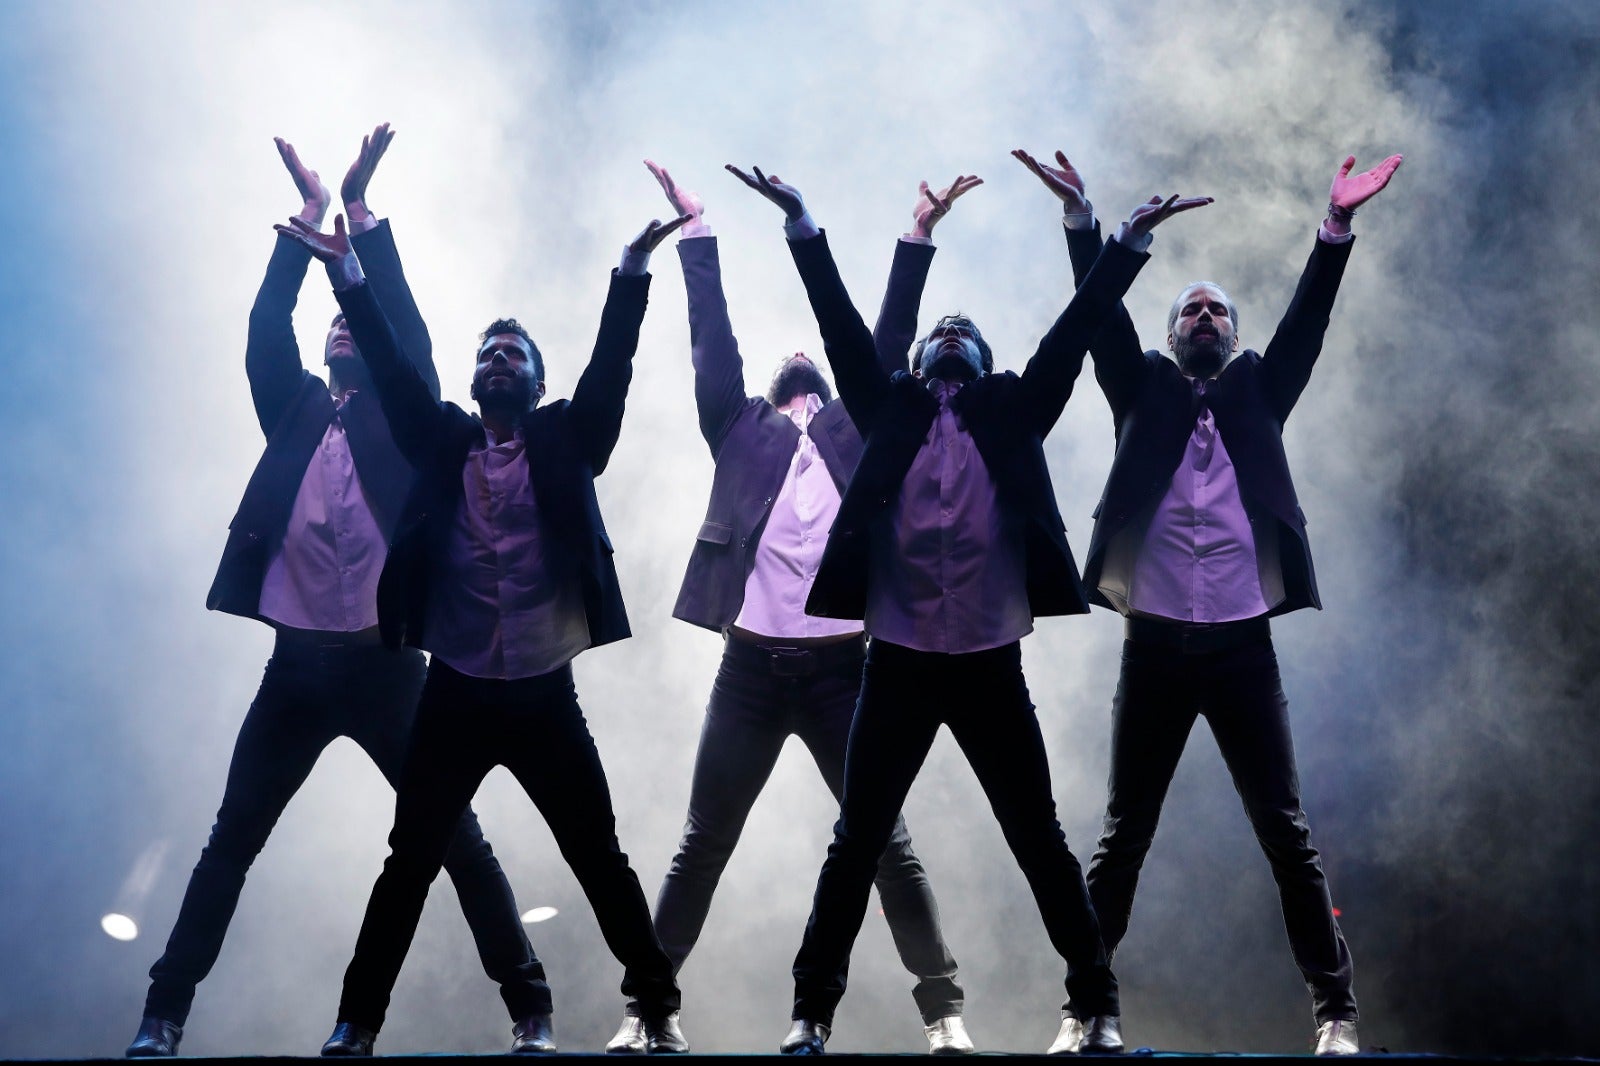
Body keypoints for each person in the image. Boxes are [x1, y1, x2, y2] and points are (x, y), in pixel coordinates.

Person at [727, 160, 1209, 1056]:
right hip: (901, 660)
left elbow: (1074, 335)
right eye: (937, 333)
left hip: (990, 659)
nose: (951, 337)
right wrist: (803, 225)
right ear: (914, 364)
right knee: (857, 839)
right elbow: (839, 325)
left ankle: (1096, 1008)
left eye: (967, 333)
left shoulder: (1016, 409)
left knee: (1039, 839)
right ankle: (810, 1014)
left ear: (985, 363)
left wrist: (1120, 240)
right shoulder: (886, 409)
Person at [126, 126, 551, 1058]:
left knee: (454, 840)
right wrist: (304, 228)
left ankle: (530, 1009)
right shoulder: (296, 409)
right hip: (296, 674)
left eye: (350, 319)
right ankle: (163, 1016)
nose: (341, 324)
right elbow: (263, 332)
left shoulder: (410, 422)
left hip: (390, 668)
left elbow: (408, 329)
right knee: (230, 842)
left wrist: (360, 214)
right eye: (335, 322)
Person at [277, 196, 692, 1056]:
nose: (499, 360)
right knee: (410, 861)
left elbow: (613, 366)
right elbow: (391, 367)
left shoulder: (571, 439)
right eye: (488, 353)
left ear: (536, 381)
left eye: (516, 354)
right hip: (457, 691)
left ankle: (655, 1009)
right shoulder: (439, 441)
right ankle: (356, 1024)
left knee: (599, 859)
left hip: (544, 692)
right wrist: (343, 269)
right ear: (474, 378)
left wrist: (631, 268)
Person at [1013, 148, 1402, 1057]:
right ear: (1172, 329)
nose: (1203, 315)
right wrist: (1091, 228)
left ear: (1232, 334)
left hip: (1237, 646)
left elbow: (1310, 318)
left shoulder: (1264, 387)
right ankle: (1087, 1009)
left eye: (1217, 309)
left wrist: (1335, 228)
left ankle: (1336, 1011)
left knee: (1286, 834)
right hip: (1153, 642)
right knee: (1122, 839)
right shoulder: (1140, 385)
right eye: (1190, 306)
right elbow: (1098, 320)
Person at [605, 162, 976, 1056]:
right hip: (751, 671)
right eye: (792, 364)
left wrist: (916, 238)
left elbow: (883, 342)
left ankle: (945, 1013)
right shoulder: (739, 427)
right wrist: (697, 235)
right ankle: (647, 1013)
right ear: (773, 389)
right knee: (703, 843)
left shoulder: (858, 423)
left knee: (885, 841)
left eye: (811, 363)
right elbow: (713, 342)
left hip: (847, 673)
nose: (802, 361)